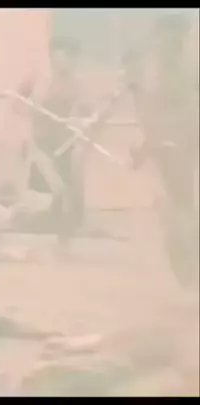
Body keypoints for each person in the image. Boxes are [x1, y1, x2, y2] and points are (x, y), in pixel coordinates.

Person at [129, 13, 199, 288]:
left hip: (177, 146)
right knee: (175, 209)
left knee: (180, 208)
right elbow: (148, 115)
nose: (168, 43)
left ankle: (187, 263)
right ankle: (186, 263)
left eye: (175, 38)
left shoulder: (183, 70)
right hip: (165, 147)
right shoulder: (153, 73)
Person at [19, 38, 89, 245]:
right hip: (41, 147)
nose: (68, 61)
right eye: (63, 54)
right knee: (54, 193)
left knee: (71, 198)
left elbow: (86, 112)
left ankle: (65, 238)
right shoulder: (37, 79)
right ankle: (39, 224)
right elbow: (15, 102)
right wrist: (29, 110)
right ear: (53, 57)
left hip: (65, 147)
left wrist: (80, 119)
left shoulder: (78, 85)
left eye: (72, 56)